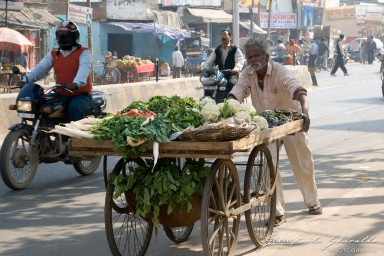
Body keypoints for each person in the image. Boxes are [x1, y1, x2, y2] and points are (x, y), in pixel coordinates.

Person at [228, 35, 323, 227]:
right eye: (250, 57)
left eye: (257, 55)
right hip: (266, 125)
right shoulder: (248, 74)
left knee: (302, 163)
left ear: (266, 56)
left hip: (291, 122)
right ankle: (277, 211)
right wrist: (227, 107)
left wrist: (305, 113)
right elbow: (237, 92)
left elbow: (299, 92)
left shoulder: (280, 71)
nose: (253, 60)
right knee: (270, 167)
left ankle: (312, 201)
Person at [21, 21, 93, 122]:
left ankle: (76, 138)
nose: (63, 39)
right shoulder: (54, 54)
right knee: (41, 106)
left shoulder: (84, 53)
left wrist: (77, 83)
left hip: (80, 95)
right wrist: (26, 79)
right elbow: (40, 69)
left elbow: (84, 69)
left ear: (74, 37)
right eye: (60, 36)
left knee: (74, 109)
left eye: (67, 36)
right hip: (60, 93)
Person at [204, 29, 244, 96]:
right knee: (208, 84)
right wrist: (205, 68)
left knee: (231, 84)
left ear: (230, 37)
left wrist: (236, 69)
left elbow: (240, 61)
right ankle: (207, 100)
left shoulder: (235, 49)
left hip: (232, 74)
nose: (223, 36)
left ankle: (229, 101)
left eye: (225, 35)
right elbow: (209, 62)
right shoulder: (217, 50)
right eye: (221, 35)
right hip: (219, 74)